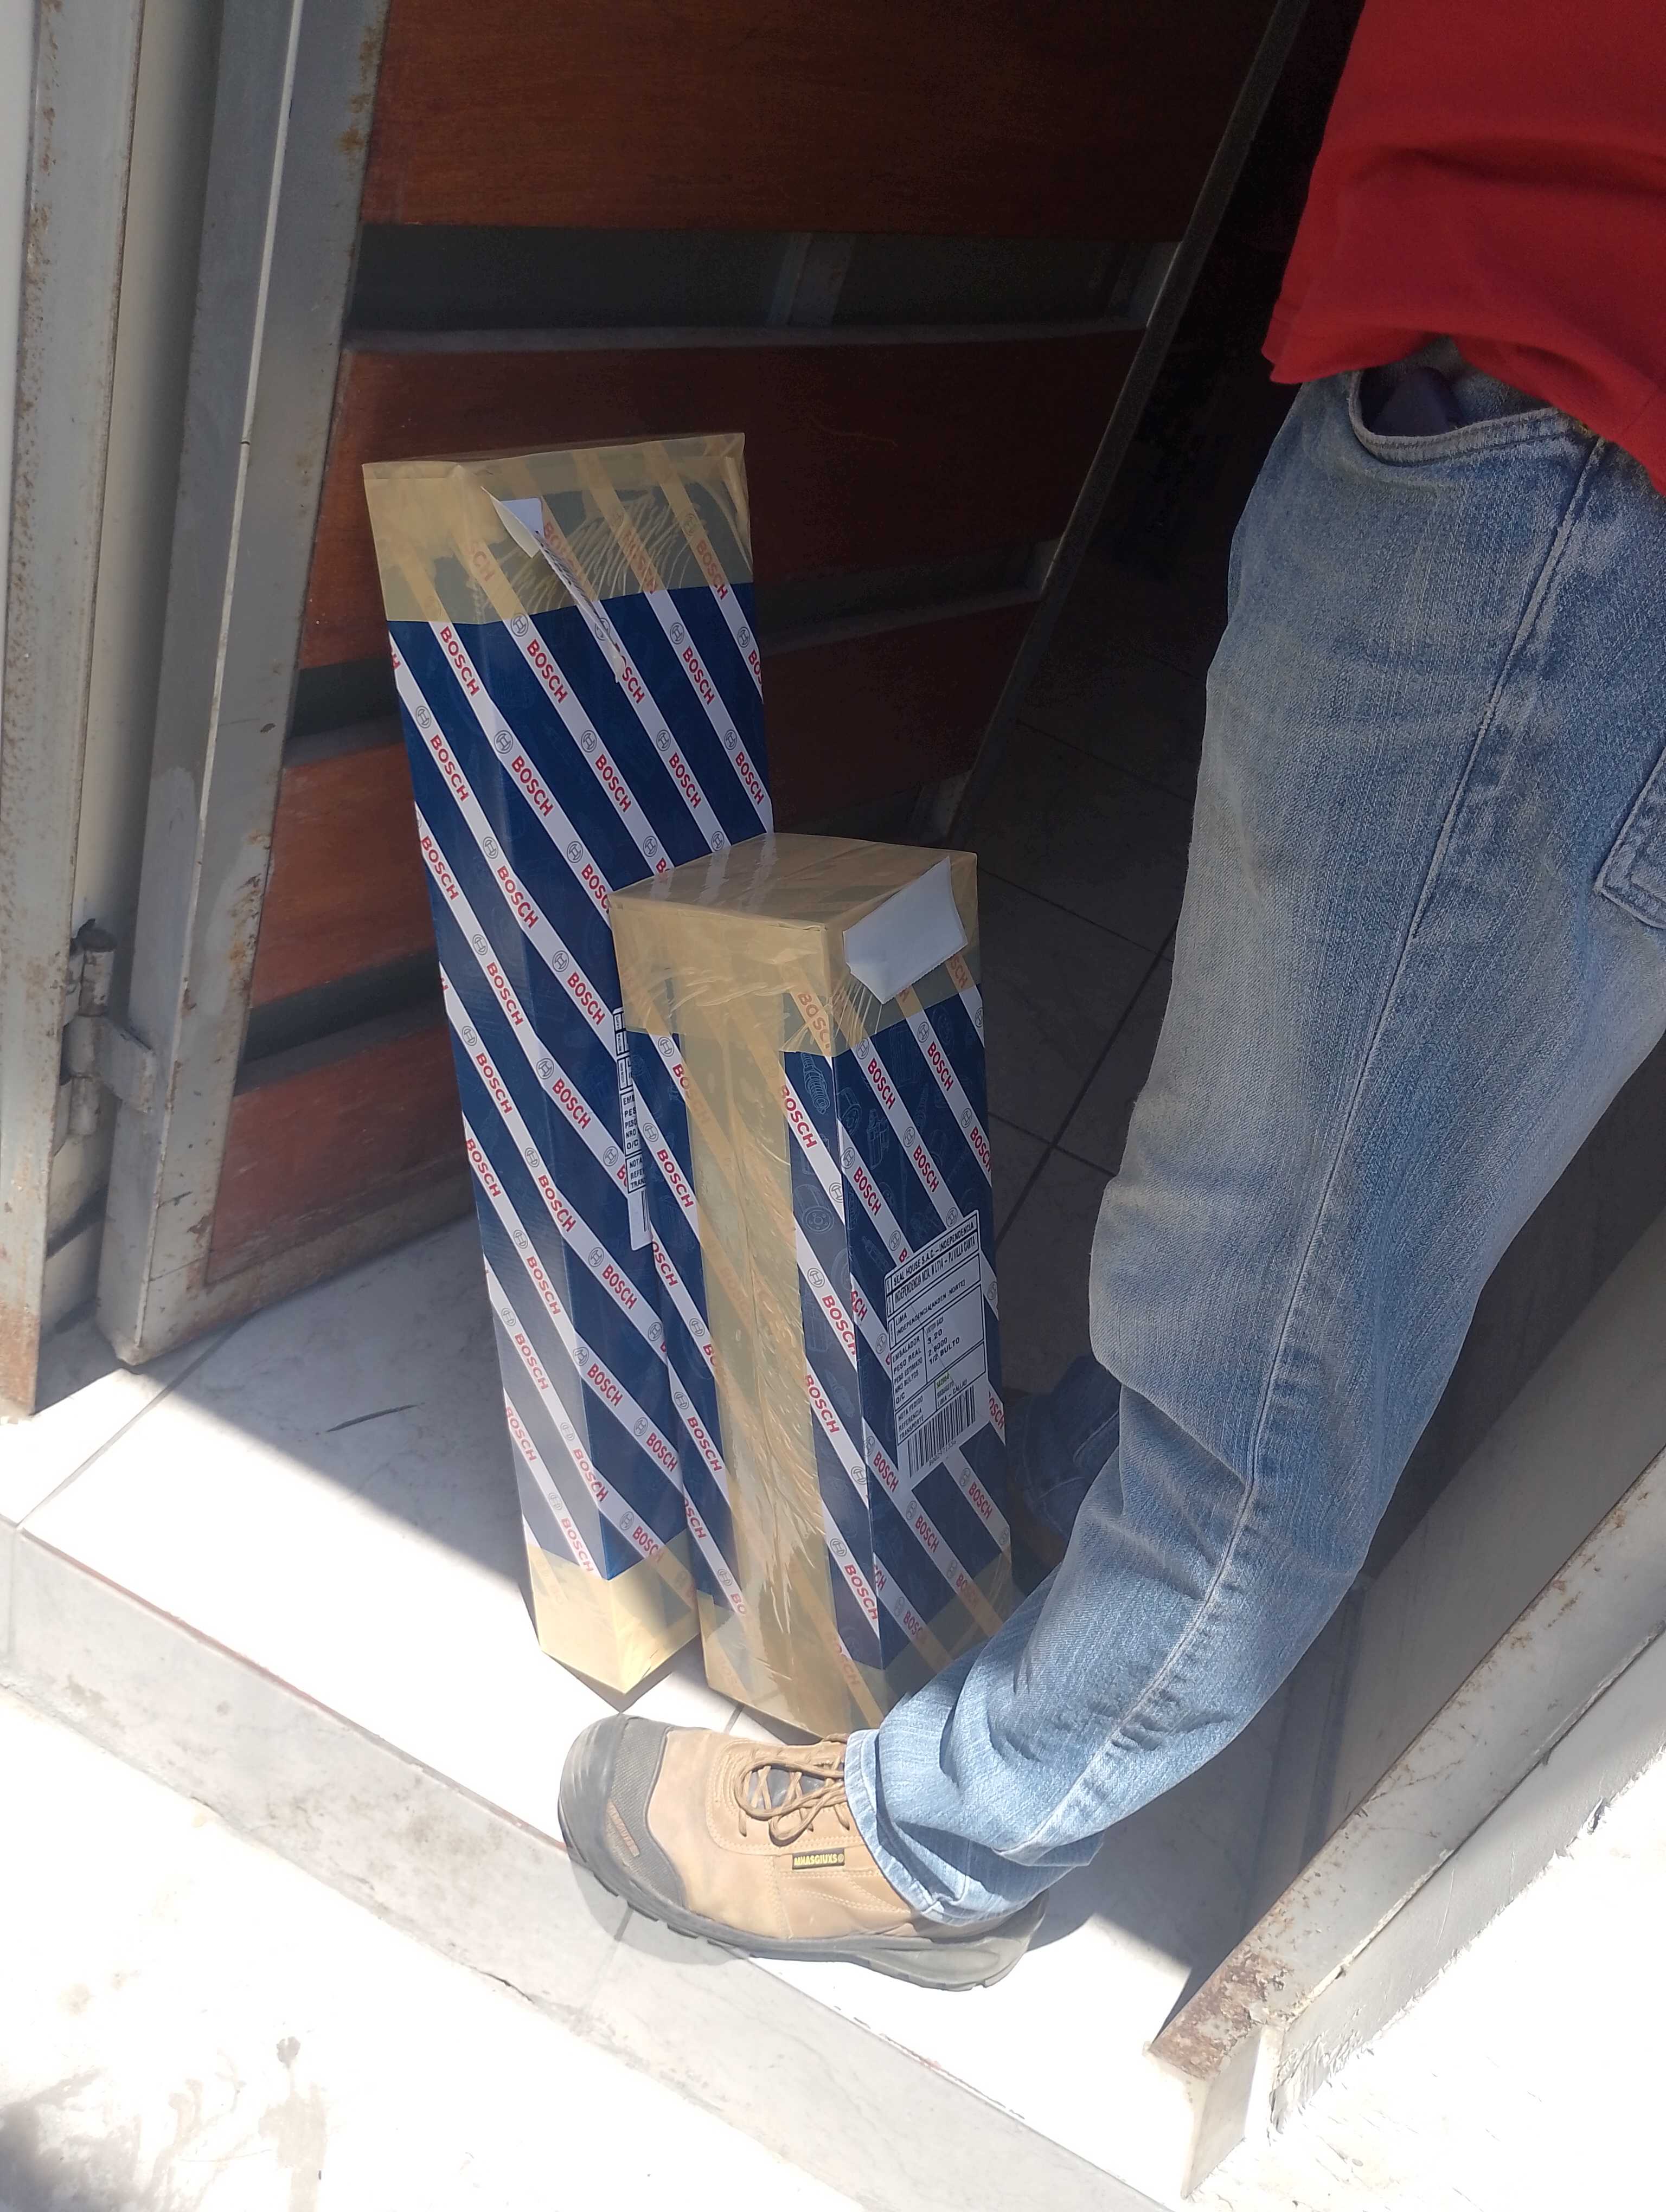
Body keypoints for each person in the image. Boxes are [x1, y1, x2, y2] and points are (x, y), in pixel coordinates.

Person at [559, 0, 1666, 1986]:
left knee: (1283, 1319)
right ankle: (1075, 1490)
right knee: (1251, 1172)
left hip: (1591, 479)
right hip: (1508, 413)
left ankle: (947, 1838)